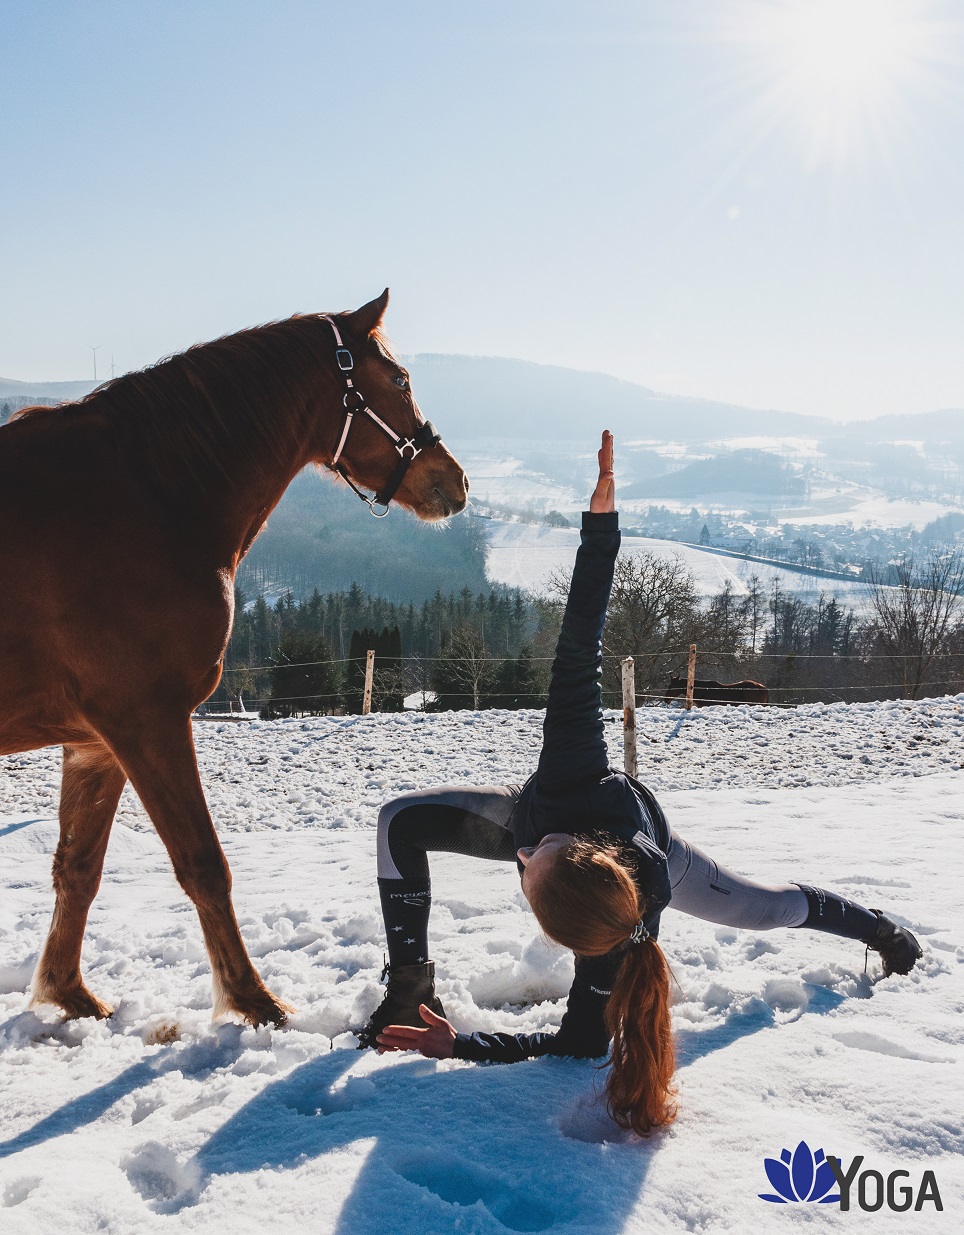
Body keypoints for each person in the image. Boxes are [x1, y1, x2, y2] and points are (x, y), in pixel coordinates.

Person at [359, 430, 923, 1136]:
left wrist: (463, 1045)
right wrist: (600, 526)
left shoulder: (615, 941)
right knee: (398, 820)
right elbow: (579, 639)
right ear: (573, 852)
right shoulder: (574, 770)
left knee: (769, 908)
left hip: (661, 863)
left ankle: (876, 929)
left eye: (524, 868)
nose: (520, 858)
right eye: (535, 861)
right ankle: (408, 990)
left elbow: (579, 1044)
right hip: (573, 806)